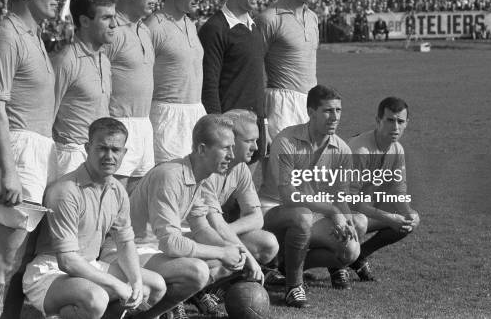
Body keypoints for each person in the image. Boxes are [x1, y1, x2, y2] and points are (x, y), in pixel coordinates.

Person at [0, 0, 61, 319]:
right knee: (1, 263)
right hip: (21, 158)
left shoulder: (33, 36)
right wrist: (8, 169)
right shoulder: (7, 34)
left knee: (13, 261)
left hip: (37, 152)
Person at [23, 118, 166, 319]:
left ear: (124, 153)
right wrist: (118, 285)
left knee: (154, 285)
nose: (109, 156)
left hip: (90, 265)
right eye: (102, 148)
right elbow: (67, 261)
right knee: (96, 299)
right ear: (87, 148)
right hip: (50, 271)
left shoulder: (117, 190)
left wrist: (135, 281)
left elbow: (125, 242)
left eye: (116, 150)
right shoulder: (66, 191)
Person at [126, 114, 253, 318]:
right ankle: (148, 315)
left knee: (221, 261)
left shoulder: (197, 175)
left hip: (151, 249)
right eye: (225, 148)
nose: (232, 154)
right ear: (202, 149)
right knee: (198, 271)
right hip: (129, 251)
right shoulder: (169, 176)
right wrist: (221, 252)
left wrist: (231, 250)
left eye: (232, 147)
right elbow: (171, 244)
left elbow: (201, 228)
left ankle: (151, 314)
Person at [259, 85, 367, 308]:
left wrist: (344, 220)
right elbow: (288, 196)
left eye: (338, 110)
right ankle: (293, 286)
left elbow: (340, 196)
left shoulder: (342, 149)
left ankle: (287, 265)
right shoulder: (286, 140)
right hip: (273, 213)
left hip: (311, 215)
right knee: (302, 215)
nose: (335, 117)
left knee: (354, 239)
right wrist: (332, 212)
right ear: (310, 112)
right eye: (328, 111)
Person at [198, 0, 269, 163]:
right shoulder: (215, 29)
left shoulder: (253, 27)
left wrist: (263, 127)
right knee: (224, 193)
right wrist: (219, 133)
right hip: (230, 134)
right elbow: (209, 87)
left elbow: (254, 81)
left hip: (254, 131)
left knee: (246, 191)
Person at [347, 97, 420, 281]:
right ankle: (291, 268)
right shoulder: (360, 151)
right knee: (360, 221)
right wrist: (387, 217)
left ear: (407, 124)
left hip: (361, 213)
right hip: (337, 214)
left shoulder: (397, 150)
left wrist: (409, 213)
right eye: (390, 120)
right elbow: (349, 200)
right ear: (378, 120)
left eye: (400, 121)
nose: (395, 127)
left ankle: (358, 256)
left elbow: (398, 190)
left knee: (405, 221)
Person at [146, 0, 207, 164]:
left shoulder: (190, 24)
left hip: (195, 113)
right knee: (169, 185)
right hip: (166, 118)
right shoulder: (154, 27)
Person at [203, 109, 279, 274]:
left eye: (256, 140)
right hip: (188, 236)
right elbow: (214, 225)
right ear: (230, 140)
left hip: (212, 233)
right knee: (220, 255)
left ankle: (225, 279)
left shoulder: (241, 168)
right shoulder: (206, 170)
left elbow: (256, 218)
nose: (256, 147)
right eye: (249, 141)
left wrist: (227, 230)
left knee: (268, 243)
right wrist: (252, 261)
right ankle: (207, 287)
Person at [50, 0, 115, 178]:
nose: (114, 24)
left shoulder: (104, 59)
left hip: (99, 155)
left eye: (114, 16)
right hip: (71, 158)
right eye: (106, 18)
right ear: (85, 21)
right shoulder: (65, 61)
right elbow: (45, 115)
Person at [255, 0, 321, 140]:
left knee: (311, 170)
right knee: (284, 169)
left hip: (312, 105)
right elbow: (253, 70)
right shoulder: (269, 19)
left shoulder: (312, 17)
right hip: (282, 106)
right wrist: (262, 120)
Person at [107, 0, 159, 190]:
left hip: (143, 123)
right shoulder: (111, 31)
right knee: (111, 199)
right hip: (117, 124)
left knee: (138, 203)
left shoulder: (144, 30)